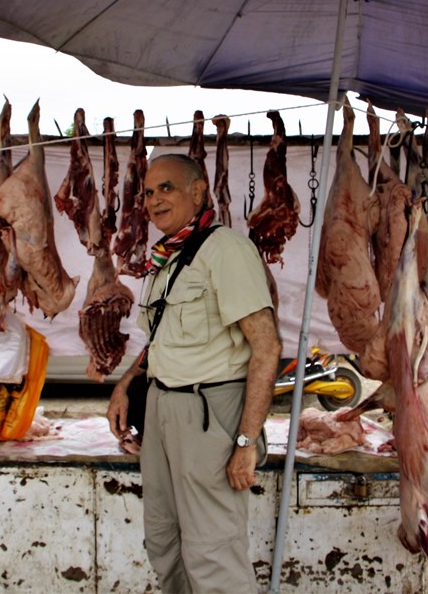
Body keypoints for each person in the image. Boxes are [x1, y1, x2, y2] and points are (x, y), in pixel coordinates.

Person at [106, 154, 281, 593]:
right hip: (164, 410)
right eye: (148, 192)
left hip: (209, 413)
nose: (153, 200)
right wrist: (128, 382)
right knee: (164, 540)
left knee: (212, 551)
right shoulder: (169, 255)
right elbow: (160, 338)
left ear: (199, 191)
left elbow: (267, 347)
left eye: (166, 188)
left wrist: (245, 442)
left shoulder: (226, 250)